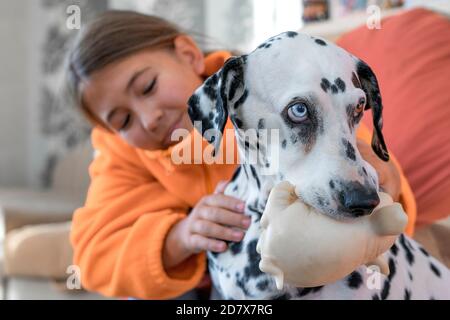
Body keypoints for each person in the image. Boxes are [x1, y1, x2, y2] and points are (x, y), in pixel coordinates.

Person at [66, 10, 416, 300]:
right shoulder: (124, 154)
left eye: (147, 87)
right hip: (212, 281)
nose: (149, 117)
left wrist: (379, 174)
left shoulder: (269, 88)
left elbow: (376, 173)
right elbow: (94, 252)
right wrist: (181, 235)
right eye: (124, 120)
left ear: (188, 55)